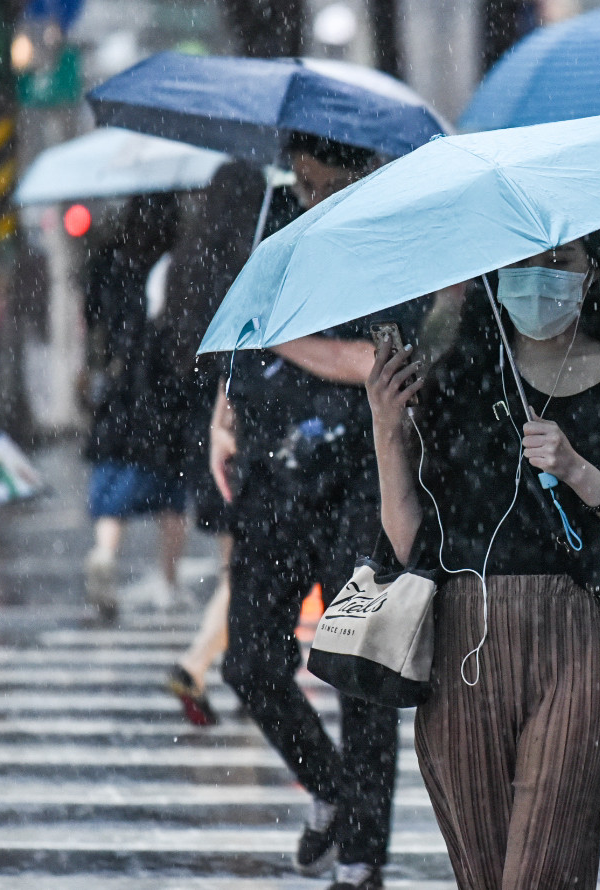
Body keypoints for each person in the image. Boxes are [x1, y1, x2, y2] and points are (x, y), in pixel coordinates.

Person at [366, 238, 600, 890]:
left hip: (575, 642)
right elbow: (405, 547)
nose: (538, 280)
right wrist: (385, 430)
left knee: (545, 873)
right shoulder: (458, 383)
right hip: (462, 643)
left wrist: (577, 470)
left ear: (590, 270)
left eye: (558, 262)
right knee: (482, 878)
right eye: (520, 263)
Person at [209, 133, 420, 889]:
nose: (311, 199)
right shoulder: (279, 227)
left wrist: (290, 336)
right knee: (249, 661)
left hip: (364, 475)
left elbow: (379, 362)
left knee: (358, 666)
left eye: (325, 184)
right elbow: (244, 336)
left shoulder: (397, 242)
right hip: (274, 474)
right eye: (302, 183)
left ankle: (363, 851)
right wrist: (223, 412)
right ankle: (331, 787)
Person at [153, 160, 271, 726]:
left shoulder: (184, 263)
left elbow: (171, 350)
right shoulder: (252, 263)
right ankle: (201, 663)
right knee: (247, 569)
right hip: (241, 422)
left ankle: (231, 670)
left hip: (198, 426)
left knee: (238, 565)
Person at [79, 193, 185, 623]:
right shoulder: (176, 263)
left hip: (120, 386)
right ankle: (168, 581)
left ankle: (104, 553)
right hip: (164, 388)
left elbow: (92, 315)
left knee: (114, 476)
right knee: (171, 493)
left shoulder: (110, 259)